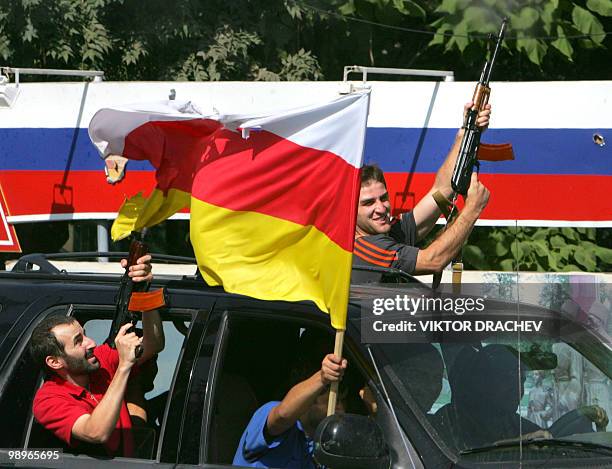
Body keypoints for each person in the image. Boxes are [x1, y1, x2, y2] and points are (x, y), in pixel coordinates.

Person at [29, 255, 164, 457]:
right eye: (78, 341)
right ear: (55, 362)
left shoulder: (99, 362)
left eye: (85, 334)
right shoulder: (48, 400)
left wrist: (143, 289)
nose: (91, 343)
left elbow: (154, 344)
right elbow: (96, 432)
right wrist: (124, 366)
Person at [353, 102, 491, 277]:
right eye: (368, 203)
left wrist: (467, 131)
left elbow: (442, 189)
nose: (381, 208)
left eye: (383, 198)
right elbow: (432, 261)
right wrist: (472, 209)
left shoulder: (388, 231)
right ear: (350, 210)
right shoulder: (364, 245)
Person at [233, 350, 347, 468]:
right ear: (312, 397)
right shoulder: (271, 410)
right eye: (336, 400)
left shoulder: (322, 447)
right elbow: (282, 415)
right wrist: (322, 377)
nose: (341, 409)